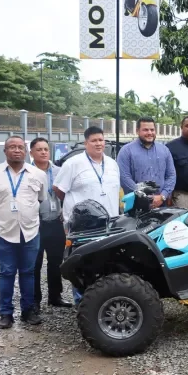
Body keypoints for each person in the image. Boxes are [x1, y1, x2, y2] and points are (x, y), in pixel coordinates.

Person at [53, 126, 121, 305]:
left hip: (109, 224)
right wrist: (75, 210)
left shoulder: (112, 164)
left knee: (105, 262)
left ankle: (101, 300)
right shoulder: (73, 164)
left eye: (101, 140)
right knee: (82, 263)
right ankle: (82, 303)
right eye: (94, 140)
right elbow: (59, 189)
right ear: (86, 143)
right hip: (82, 227)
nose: (98, 144)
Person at [0, 136, 47, 328]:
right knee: (7, 272)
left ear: (25, 152)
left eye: (20, 147)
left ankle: (28, 311)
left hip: (30, 232)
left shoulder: (38, 174)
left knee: (28, 272)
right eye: (12, 147)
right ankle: (6, 314)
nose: (16, 150)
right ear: (5, 151)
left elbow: (40, 199)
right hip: (3, 232)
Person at [30, 138, 72, 310]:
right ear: (31, 152)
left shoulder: (59, 171)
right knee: (35, 263)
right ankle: (34, 301)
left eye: (46, 149)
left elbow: (69, 193)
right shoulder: (27, 172)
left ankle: (55, 296)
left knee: (56, 261)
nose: (43, 152)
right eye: (39, 149)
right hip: (35, 224)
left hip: (56, 222)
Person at [117, 116, 176, 206]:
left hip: (161, 204)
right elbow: (124, 178)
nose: (150, 133)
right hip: (136, 204)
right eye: (145, 130)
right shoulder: (126, 151)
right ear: (137, 131)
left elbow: (171, 175)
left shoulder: (164, 150)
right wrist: (144, 197)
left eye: (152, 130)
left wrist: (162, 196)